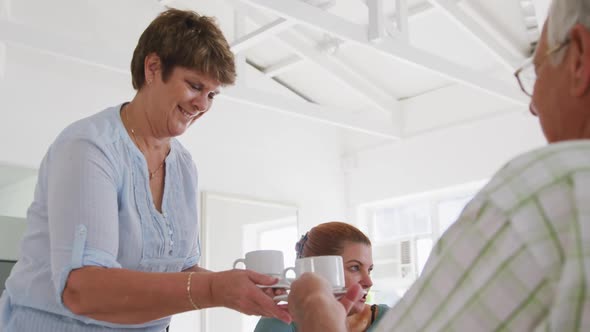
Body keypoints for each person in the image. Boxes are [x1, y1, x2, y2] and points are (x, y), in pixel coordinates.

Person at [287, 0, 590, 331]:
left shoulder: (550, 191)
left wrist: (316, 312)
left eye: (539, 71)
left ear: (579, 58)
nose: (533, 104)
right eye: (356, 267)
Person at [0, 8, 290, 331]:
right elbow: (82, 290)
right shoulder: (89, 148)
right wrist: (214, 289)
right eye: (194, 86)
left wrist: (249, 288)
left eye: (212, 95)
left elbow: (180, 272)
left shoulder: (183, 167)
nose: (203, 105)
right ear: (153, 68)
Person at [255, 222, 390, 332]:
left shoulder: (389, 318)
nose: (368, 282)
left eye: (369, 269)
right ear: (318, 271)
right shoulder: (278, 322)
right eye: (354, 267)